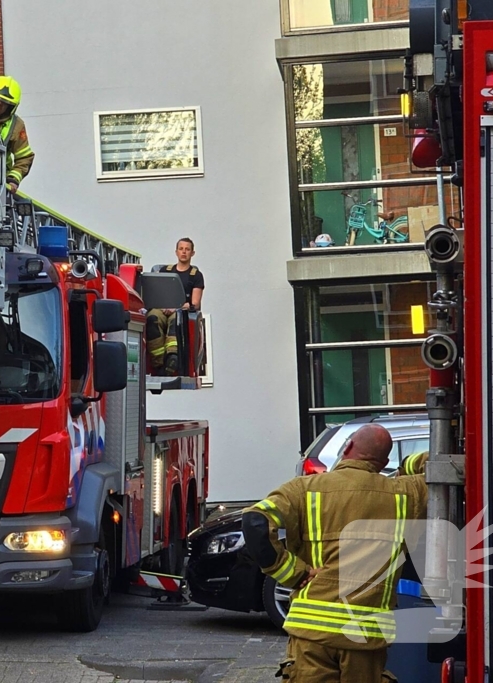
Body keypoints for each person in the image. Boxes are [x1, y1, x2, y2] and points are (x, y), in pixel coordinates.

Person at [242, 424, 429, 682]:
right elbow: (442, 468)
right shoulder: (406, 494)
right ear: (384, 461)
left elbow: (255, 522)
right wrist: (409, 463)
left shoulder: (303, 489)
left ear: (348, 446)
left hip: (311, 634)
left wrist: (293, 574)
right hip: (364, 637)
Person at [146, 237, 204, 375]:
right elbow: (156, 292)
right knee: (152, 318)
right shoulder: (166, 271)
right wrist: (161, 306)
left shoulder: (196, 276)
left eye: (187, 249)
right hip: (161, 308)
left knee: (176, 320)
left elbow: (195, 303)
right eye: (181, 249)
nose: (184, 252)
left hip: (180, 310)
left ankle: (173, 357)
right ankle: (159, 363)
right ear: (176, 252)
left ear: (192, 253)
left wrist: (177, 307)